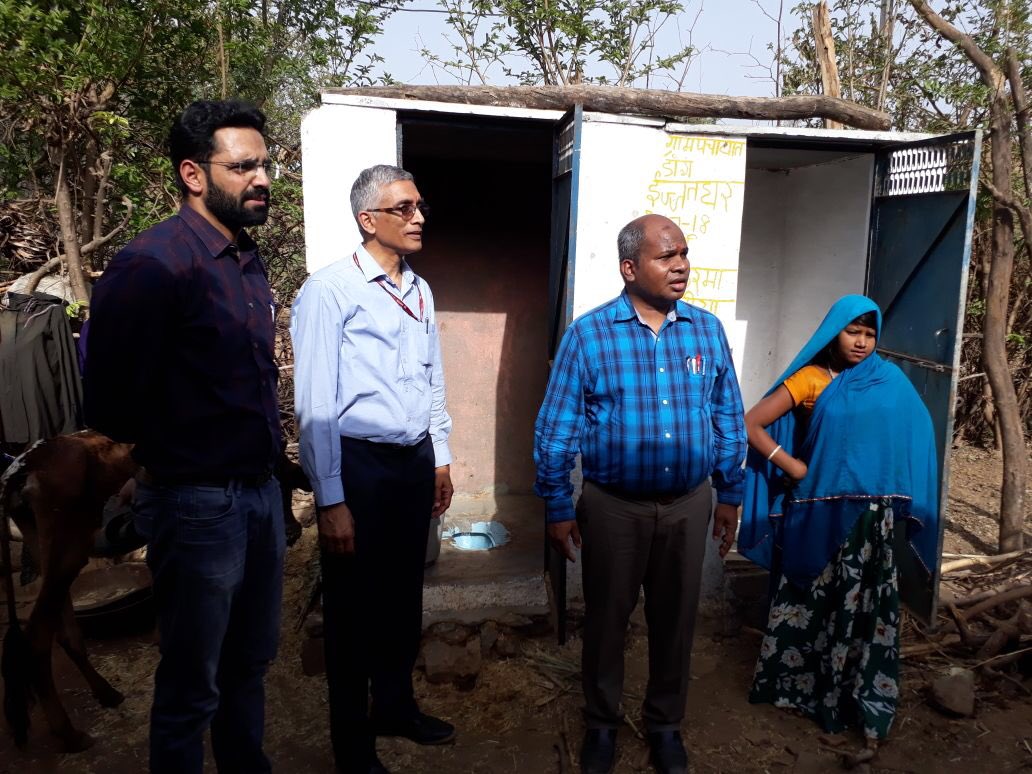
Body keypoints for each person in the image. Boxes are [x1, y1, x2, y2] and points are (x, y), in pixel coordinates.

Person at [84, 100, 284, 773]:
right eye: (244, 166)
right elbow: (110, 402)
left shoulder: (244, 259)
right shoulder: (153, 265)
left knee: (250, 663)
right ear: (193, 175)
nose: (263, 178)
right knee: (192, 684)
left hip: (257, 497)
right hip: (197, 505)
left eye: (264, 163)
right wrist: (172, 448)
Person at [534, 214, 746, 774]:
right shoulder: (589, 334)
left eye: (683, 254)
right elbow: (557, 428)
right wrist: (557, 504)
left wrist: (730, 491)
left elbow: (726, 414)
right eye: (666, 256)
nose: (681, 265)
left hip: (688, 503)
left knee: (676, 619)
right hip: (613, 507)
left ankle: (665, 725)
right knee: (606, 619)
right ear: (630, 268)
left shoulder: (706, 330)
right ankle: (602, 724)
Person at [291, 164, 455, 774]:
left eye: (419, 206)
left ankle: (395, 706)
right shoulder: (329, 290)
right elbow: (314, 405)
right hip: (357, 468)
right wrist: (330, 499)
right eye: (405, 208)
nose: (418, 217)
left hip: (410, 464)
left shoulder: (420, 289)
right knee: (352, 612)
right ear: (369, 220)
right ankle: (351, 744)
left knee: (402, 599)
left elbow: (433, 377)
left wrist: (439, 456)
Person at [738, 295, 938, 757]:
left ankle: (860, 700)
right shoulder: (810, 379)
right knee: (814, 602)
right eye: (854, 332)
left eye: (870, 334)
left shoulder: (889, 380)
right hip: (818, 513)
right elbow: (752, 423)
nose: (863, 342)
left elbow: (918, 429)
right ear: (834, 332)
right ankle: (801, 692)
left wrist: (902, 485)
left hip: (873, 524)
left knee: (865, 610)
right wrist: (792, 465)